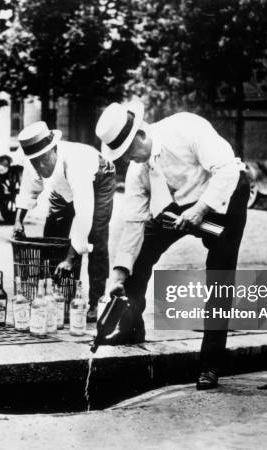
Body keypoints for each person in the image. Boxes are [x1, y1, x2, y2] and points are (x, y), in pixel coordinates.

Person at [95, 101, 249, 390]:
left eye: (129, 151)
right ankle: (131, 328)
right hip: (178, 206)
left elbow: (227, 169)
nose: (130, 159)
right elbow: (133, 223)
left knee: (219, 276)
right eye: (123, 155)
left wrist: (202, 209)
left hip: (225, 193)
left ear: (141, 134)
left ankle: (210, 364)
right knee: (140, 257)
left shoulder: (185, 127)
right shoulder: (137, 170)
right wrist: (118, 275)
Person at [13, 121, 115, 322]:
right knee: (52, 233)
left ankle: (96, 302)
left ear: (53, 150)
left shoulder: (76, 162)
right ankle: (54, 293)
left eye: (43, 160)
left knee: (95, 238)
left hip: (98, 180)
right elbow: (28, 189)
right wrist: (18, 221)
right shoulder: (33, 160)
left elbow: (84, 212)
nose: (40, 166)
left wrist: (71, 257)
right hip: (61, 189)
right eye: (35, 162)